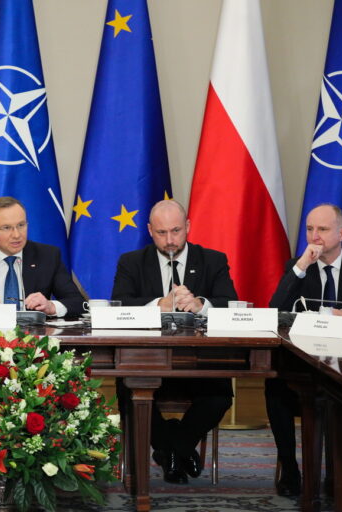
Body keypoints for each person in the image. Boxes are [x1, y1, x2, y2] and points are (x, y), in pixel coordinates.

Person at [111, 199, 237, 484]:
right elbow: (118, 308)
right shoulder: (131, 262)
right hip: (147, 362)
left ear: (188, 227)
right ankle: (177, 450)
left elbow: (230, 303)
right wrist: (158, 304)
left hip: (199, 362)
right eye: (161, 233)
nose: (170, 240)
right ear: (149, 231)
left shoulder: (213, 260)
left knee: (220, 393)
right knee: (128, 389)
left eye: (176, 231)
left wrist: (201, 304)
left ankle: (172, 448)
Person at [267, 203, 342, 496]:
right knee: (274, 389)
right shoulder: (298, 268)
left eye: (322, 229)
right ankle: (290, 470)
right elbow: (275, 310)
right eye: (309, 229)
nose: (315, 236)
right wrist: (301, 267)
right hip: (305, 368)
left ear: (341, 233)